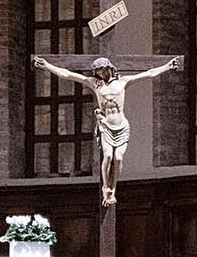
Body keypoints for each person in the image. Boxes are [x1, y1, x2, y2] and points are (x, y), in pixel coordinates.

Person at [30, 53, 181, 206]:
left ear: (109, 68)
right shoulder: (95, 84)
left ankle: (112, 191)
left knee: (118, 158)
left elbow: (148, 74)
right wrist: (47, 66)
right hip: (106, 126)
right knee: (108, 156)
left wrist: (167, 66)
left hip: (121, 126)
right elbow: (68, 75)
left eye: (102, 69)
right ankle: (105, 188)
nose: (100, 73)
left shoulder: (123, 82)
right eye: (98, 71)